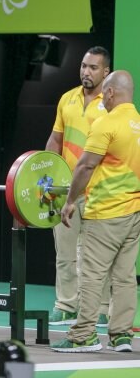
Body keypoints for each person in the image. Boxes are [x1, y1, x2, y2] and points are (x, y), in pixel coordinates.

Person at [51, 70, 140, 353]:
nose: (104, 98)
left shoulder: (106, 123)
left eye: (106, 94)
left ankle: (83, 335)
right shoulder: (138, 123)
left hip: (104, 213)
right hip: (133, 214)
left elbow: (85, 166)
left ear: (111, 92)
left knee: (90, 274)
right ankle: (121, 335)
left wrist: (69, 202)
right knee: (125, 276)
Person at [45, 46, 111, 326]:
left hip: (98, 190)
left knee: (95, 256)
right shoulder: (67, 99)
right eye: (84, 66)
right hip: (66, 190)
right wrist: (47, 172)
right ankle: (66, 305)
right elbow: (55, 140)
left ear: (105, 72)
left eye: (93, 67)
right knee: (66, 254)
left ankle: (101, 308)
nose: (86, 71)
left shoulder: (111, 104)